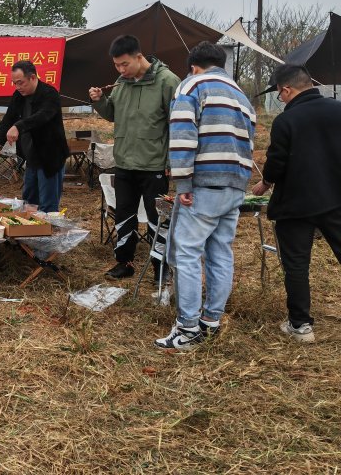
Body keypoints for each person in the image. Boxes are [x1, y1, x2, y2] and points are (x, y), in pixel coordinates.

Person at [154, 41, 256, 350]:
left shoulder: (193, 85)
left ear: (194, 66)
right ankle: (210, 322)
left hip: (204, 185)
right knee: (220, 252)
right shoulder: (241, 96)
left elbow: (183, 135)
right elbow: (249, 142)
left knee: (186, 253)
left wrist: (183, 183)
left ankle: (187, 329)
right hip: (235, 184)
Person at [251, 63, 341, 344]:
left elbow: (277, 162)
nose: (281, 99)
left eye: (279, 94)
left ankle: (301, 325)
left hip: (296, 203)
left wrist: (264, 183)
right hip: (337, 198)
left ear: (287, 90)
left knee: (297, 266)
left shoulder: (286, 121)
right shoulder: (338, 109)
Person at [89, 35, 180, 280]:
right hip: (125, 162)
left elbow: (178, 125)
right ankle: (124, 263)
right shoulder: (121, 82)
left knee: (157, 219)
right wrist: (99, 102)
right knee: (124, 215)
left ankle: (161, 269)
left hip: (154, 164)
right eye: (116, 65)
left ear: (139, 57)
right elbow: (113, 114)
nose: (120, 70)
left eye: (124, 64)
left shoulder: (167, 82)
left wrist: (172, 161)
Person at [0, 60, 69, 212]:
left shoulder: (49, 94)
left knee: (47, 204)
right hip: (31, 156)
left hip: (50, 157)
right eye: (15, 83)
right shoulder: (19, 95)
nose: (18, 87)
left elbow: (42, 117)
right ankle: (30, 231)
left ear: (33, 77)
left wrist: (18, 126)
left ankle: (47, 230)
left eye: (21, 83)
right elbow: (9, 118)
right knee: (29, 201)